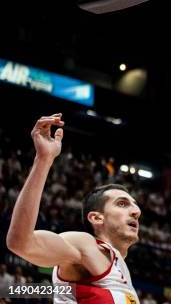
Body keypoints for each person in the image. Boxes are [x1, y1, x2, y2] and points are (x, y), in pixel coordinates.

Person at [7, 114, 141, 304]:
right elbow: (21, 242)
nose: (136, 211)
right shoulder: (84, 244)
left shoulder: (122, 272)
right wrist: (43, 160)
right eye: (122, 203)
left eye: (135, 204)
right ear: (96, 218)